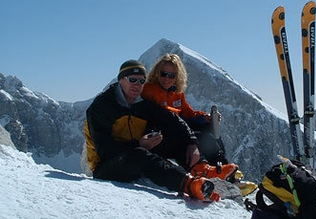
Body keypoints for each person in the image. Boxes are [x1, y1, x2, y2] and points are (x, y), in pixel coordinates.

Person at [84, 59, 238, 202]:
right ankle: (190, 185)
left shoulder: (141, 103)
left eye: (141, 81)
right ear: (121, 80)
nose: (137, 85)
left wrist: (192, 143)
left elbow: (172, 120)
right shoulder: (102, 107)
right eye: (132, 80)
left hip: (135, 152)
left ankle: (202, 169)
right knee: (139, 154)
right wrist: (139, 144)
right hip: (105, 166)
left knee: (171, 137)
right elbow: (104, 149)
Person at [141, 53, 228, 166]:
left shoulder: (177, 93)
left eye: (172, 75)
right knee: (199, 137)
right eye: (163, 74)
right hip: (160, 134)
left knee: (207, 127)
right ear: (157, 73)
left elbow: (187, 112)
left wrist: (205, 117)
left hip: (177, 128)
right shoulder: (149, 90)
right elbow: (158, 114)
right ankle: (207, 167)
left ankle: (222, 164)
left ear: (177, 76)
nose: (167, 79)